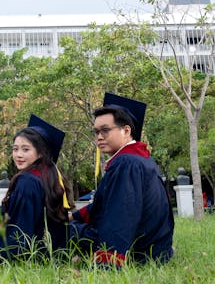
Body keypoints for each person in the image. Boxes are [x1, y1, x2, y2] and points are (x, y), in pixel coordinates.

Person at [69, 93, 174, 267]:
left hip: (139, 252)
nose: (99, 137)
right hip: (155, 248)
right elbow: (104, 204)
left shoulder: (126, 163)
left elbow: (120, 215)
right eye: (96, 132)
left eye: (105, 130)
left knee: (59, 231)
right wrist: (72, 216)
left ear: (126, 130)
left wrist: (108, 262)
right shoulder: (140, 158)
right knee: (70, 225)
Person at [0, 114, 70, 259]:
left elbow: (18, 232)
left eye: (25, 150)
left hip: (30, 256)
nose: (18, 155)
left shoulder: (28, 181)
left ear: (40, 153)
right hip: (52, 253)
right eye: (15, 149)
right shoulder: (50, 176)